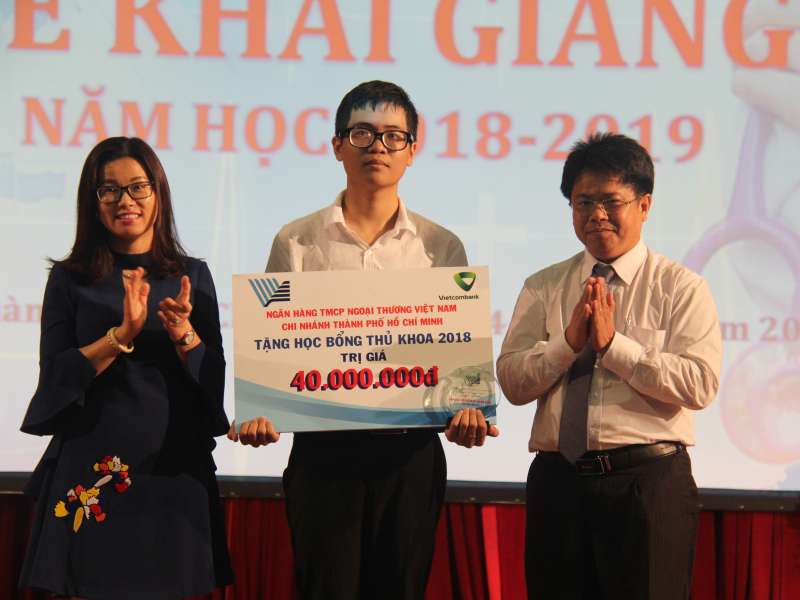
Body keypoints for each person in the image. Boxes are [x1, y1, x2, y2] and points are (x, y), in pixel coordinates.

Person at [229, 80, 498, 599]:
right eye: (362, 134)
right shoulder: (297, 241)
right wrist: (261, 411)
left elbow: (456, 363)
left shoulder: (441, 247)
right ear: (337, 145)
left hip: (410, 457)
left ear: (412, 150)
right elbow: (272, 349)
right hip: (324, 456)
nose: (378, 146)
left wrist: (467, 411)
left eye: (394, 136)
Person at [496, 132, 722, 600]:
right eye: (583, 202)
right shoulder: (544, 285)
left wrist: (613, 346)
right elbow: (513, 382)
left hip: (647, 485)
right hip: (558, 483)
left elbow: (700, 384)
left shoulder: (681, 287)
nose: (596, 215)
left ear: (644, 205)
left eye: (610, 201)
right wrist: (567, 345)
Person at [19, 137, 233, 599]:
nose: (125, 201)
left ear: (158, 193)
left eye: (138, 187)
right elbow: (54, 379)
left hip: (172, 472)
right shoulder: (70, 279)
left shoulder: (191, 276)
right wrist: (120, 335)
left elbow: (213, 384)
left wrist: (183, 333)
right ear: (92, 201)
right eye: (109, 190)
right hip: (93, 469)